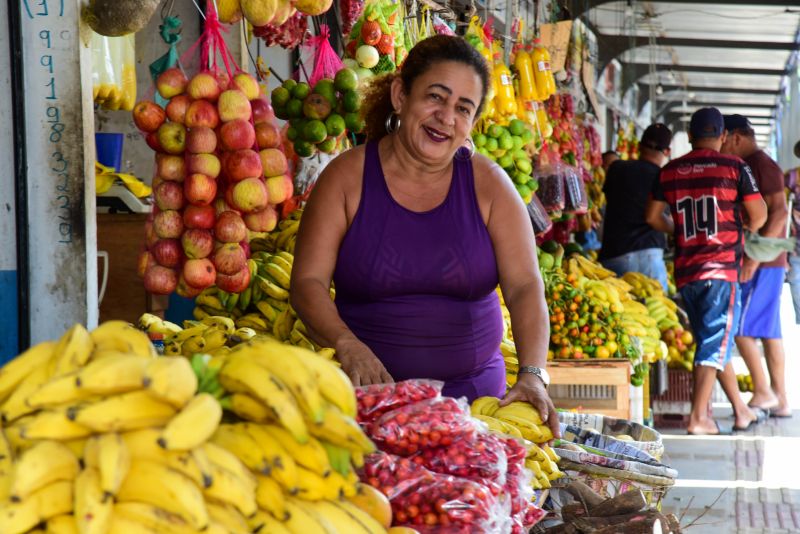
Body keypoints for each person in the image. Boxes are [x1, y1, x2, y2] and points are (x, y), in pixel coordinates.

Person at [289, 35, 559, 437]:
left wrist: (534, 374)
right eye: (436, 97)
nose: (446, 117)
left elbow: (523, 285)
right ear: (400, 95)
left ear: (472, 122)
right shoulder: (346, 178)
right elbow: (307, 282)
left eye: (463, 108)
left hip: (475, 409)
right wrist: (347, 344)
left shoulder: (490, 185)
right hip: (369, 404)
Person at [645, 107, 767, 435]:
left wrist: (682, 229)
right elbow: (759, 216)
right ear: (723, 135)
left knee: (711, 341)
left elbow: (653, 217)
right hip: (720, 270)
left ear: (690, 135)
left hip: (687, 271)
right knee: (714, 341)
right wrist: (739, 226)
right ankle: (698, 418)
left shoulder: (669, 171)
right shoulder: (734, 167)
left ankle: (741, 411)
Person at [720, 115, 790, 417]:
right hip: (769, 263)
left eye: (723, 140)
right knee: (770, 332)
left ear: (736, 137)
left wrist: (752, 258)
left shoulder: (760, 164)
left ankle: (763, 391)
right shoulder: (758, 164)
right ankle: (781, 400)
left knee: (739, 327)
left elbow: (779, 213)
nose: (721, 148)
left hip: (763, 262)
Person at [599, 124, 672, 291]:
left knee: (616, 312)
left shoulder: (616, 169)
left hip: (614, 254)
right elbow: (655, 218)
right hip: (648, 255)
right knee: (654, 313)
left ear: (639, 145)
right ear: (667, 151)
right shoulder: (663, 177)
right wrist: (676, 228)